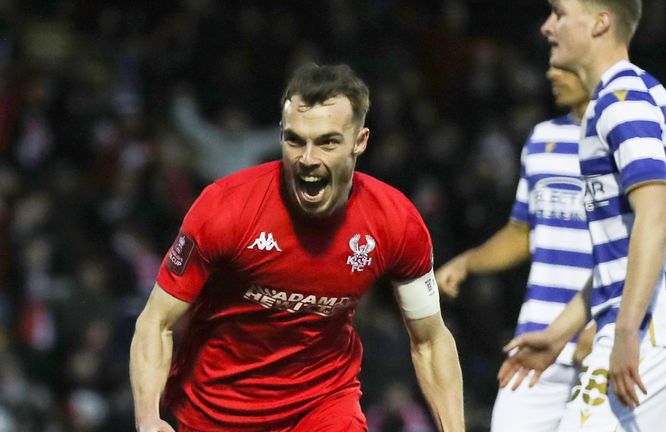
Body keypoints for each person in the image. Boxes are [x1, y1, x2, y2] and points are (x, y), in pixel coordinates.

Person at [130, 64, 464, 432]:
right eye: (294, 140)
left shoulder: (395, 222)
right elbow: (155, 322)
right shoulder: (225, 209)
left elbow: (431, 341)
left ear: (360, 141)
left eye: (327, 142)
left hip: (323, 407)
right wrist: (148, 420)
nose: (307, 159)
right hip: (215, 413)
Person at [501, 1, 666, 431]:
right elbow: (617, 254)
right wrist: (560, 333)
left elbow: (656, 218)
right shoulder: (639, 93)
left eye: (559, 14)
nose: (547, 27)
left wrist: (625, 333)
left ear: (601, 22)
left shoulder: (622, 100)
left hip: (651, 330)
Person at [436, 66, 594, 432]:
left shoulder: (629, 138)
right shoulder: (542, 138)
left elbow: (644, 241)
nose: (552, 72)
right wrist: (468, 262)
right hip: (534, 341)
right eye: (551, 64)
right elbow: (523, 231)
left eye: (563, 62)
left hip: (600, 343)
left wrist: (607, 325)